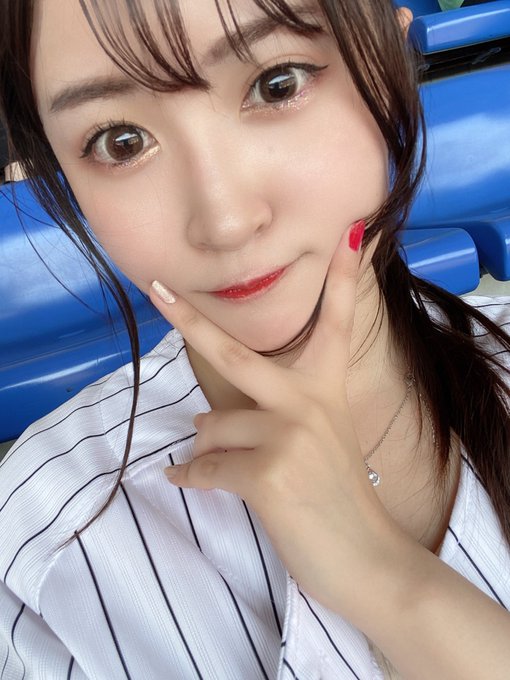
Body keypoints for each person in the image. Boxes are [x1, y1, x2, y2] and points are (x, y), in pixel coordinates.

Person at [1, 1, 509, 678]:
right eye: (120, 141)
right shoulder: (42, 548)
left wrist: (386, 579)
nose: (226, 221)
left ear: (387, 61)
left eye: (277, 83)